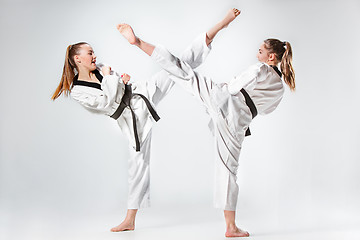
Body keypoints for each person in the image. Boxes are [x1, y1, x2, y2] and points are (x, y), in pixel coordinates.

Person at [117, 8, 295, 238]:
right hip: (239, 122)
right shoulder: (280, 87)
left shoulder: (260, 67)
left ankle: (138, 42)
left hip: (226, 102)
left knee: (181, 71)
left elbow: (234, 87)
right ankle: (231, 227)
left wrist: (224, 89)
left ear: (271, 57)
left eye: (261, 51)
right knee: (229, 169)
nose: (258, 54)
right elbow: (268, 109)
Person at [51, 25, 214, 232]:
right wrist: (113, 79)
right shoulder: (78, 91)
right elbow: (107, 104)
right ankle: (130, 220)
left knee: (174, 67)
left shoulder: (102, 67)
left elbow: (117, 90)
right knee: (138, 166)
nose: (94, 56)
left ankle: (208, 38)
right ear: (77, 59)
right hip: (132, 119)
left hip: (141, 93)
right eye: (90, 53)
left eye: (93, 52)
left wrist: (117, 81)